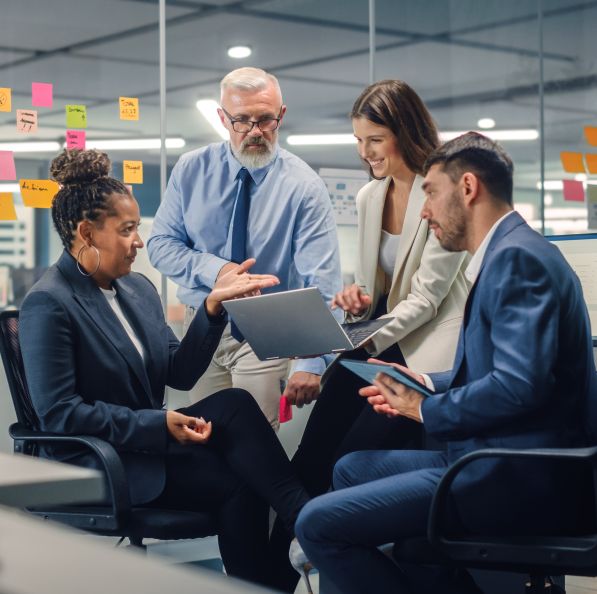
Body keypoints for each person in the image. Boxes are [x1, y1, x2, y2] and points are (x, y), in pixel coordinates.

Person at [293, 132, 597, 594]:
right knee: (351, 467)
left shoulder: (517, 261)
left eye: (431, 192)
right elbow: (505, 374)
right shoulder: (506, 254)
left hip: (518, 478)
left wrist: (423, 408)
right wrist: (426, 382)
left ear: (468, 188)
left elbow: (520, 387)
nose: (426, 211)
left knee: (317, 523)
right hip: (497, 459)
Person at [19, 149, 310, 588]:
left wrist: (213, 308)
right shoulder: (50, 302)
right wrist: (159, 425)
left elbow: (179, 372)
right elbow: (60, 414)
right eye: (127, 230)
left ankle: (300, 525)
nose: (139, 242)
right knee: (240, 479)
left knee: (234, 404)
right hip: (101, 463)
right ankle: (303, 529)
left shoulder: (136, 288)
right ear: (86, 232)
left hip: (147, 446)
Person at [269, 80, 470, 591]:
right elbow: (377, 288)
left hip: (422, 352)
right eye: (359, 140)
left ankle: (321, 550)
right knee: (310, 456)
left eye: (375, 140)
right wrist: (357, 299)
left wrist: (362, 340)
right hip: (377, 341)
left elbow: (425, 299)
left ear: (404, 131)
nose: (365, 153)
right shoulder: (369, 195)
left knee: (347, 459)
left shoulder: (440, 191)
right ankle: (272, 573)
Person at [147, 66, 342, 429]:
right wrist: (219, 271)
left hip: (267, 329)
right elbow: (160, 245)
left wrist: (311, 361)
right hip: (201, 326)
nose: (254, 132)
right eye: (242, 120)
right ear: (222, 118)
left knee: (253, 442)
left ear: (281, 116)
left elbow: (323, 282)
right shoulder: (191, 170)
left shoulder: (304, 187)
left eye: (265, 120)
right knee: (201, 439)